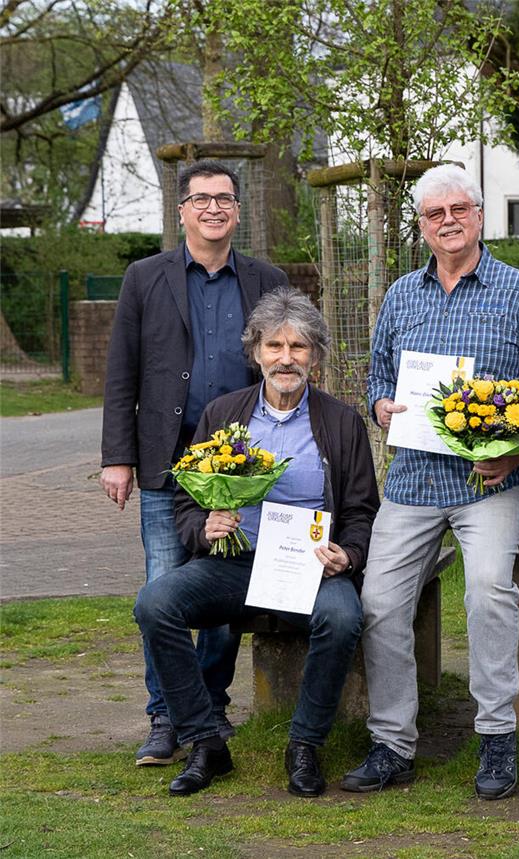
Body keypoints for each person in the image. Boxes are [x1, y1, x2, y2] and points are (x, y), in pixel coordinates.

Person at [343, 164, 519, 801]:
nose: (448, 221)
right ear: (422, 226)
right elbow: (379, 382)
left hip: (493, 482)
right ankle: (392, 744)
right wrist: (382, 408)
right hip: (412, 480)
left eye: (459, 209)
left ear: (480, 216)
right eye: (435, 215)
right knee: (379, 603)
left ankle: (496, 736)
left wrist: (516, 457)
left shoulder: (518, 291)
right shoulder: (403, 296)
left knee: (488, 588)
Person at [134, 288, 380, 797]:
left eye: (299, 347)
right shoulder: (224, 414)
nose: (286, 358)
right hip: (235, 564)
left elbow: (360, 509)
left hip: (307, 567)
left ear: (316, 355)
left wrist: (348, 554)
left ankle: (305, 745)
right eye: (274, 346)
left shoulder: (341, 421)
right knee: (155, 603)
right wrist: (204, 528)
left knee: (342, 617)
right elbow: (186, 501)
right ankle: (205, 742)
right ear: (255, 352)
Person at [100, 160, 289, 766]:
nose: (213, 208)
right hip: (165, 463)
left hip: (242, 467)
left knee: (225, 596)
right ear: (181, 209)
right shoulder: (144, 277)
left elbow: (287, 368)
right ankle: (165, 716)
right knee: (163, 587)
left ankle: (206, 707)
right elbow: (121, 373)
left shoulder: (266, 280)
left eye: (225, 199)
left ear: (238, 210)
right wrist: (117, 459)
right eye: (201, 199)